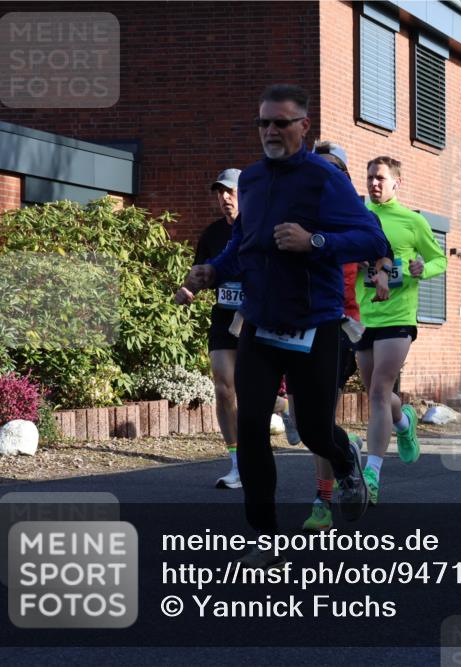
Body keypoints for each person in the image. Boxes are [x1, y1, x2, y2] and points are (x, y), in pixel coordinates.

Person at [178, 84, 391, 565]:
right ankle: (263, 533)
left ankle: (343, 458)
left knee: (314, 430)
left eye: (281, 122)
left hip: (313, 326)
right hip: (259, 323)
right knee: (252, 426)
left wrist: (314, 241)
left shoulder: (324, 180)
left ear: (303, 126)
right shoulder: (250, 181)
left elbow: (370, 236)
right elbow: (244, 243)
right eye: (263, 123)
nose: (271, 131)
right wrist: (216, 269)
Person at [355, 155, 447, 505]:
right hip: (364, 317)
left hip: (398, 317)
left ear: (397, 183)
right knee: (375, 394)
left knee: (379, 390)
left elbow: (438, 259)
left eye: (380, 178)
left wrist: (423, 267)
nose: (374, 183)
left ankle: (372, 472)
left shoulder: (412, 222)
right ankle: (405, 420)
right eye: (370, 178)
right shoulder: (359, 219)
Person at [301, 140, 369, 532]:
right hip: (298, 326)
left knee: (319, 419)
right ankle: (346, 451)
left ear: (342, 175)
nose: (322, 173)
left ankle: (323, 500)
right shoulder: (298, 213)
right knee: (302, 424)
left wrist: (380, 272)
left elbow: (380, 250)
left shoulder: (353, 215)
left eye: (332, 168)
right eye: (317, 166)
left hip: (341, 327)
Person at [178, 168, 244, 489]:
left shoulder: (258, 230)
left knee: (254, 390)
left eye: (230, 192)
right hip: (223, 318)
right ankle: (236, 463)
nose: (224, 198)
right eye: (220, 193)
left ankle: (285, 409)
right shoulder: (212, 234)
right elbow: (201, 273)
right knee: (223, 386)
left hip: (256, 318)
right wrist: (188, 289)